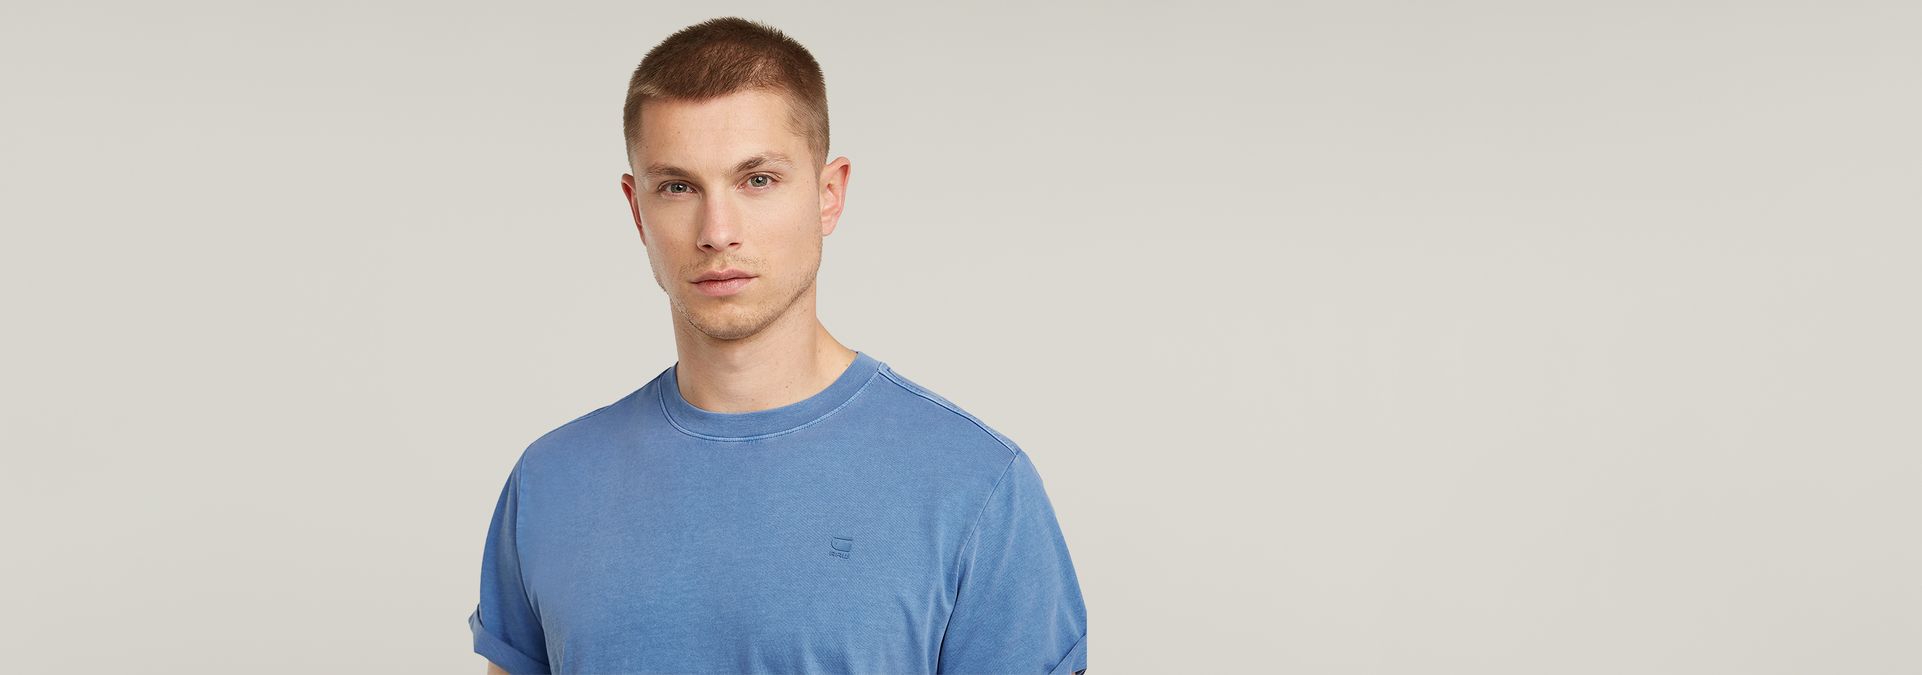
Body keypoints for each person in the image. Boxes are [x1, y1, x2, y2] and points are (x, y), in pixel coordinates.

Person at [466, 16, 1089, 675]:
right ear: (636, 208)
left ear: (828, 194)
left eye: (757, 179)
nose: (717, 231)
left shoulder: (976, 485)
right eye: (678, 186)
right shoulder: (550, 482)